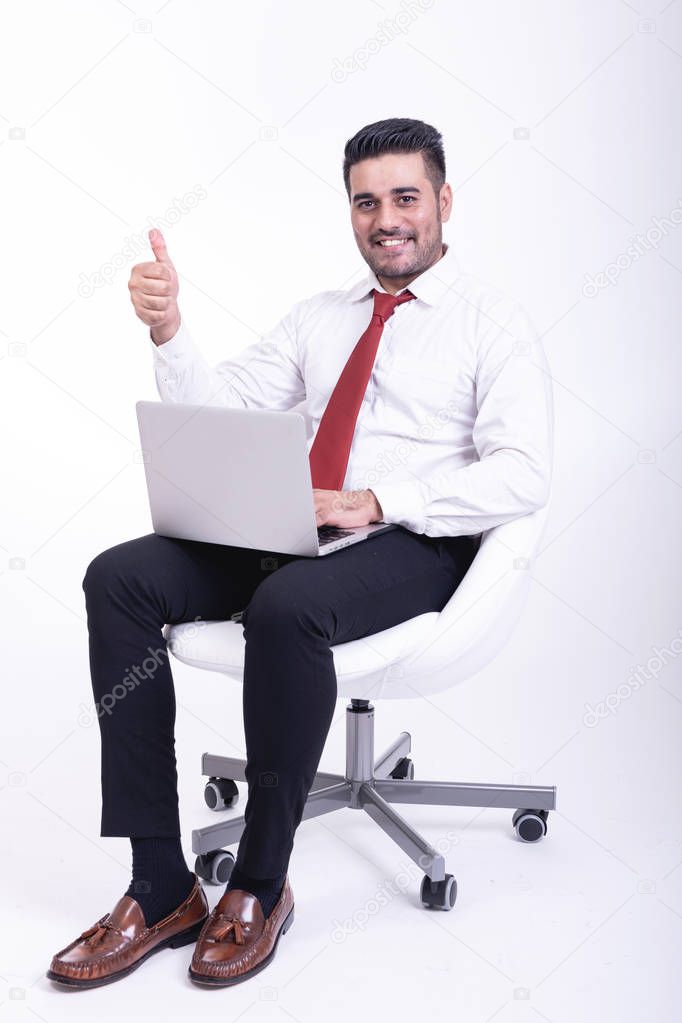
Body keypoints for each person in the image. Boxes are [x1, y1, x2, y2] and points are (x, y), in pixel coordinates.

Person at [47, 117, 553, 989]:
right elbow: (223, 409)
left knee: (288, 608)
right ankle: (160, 883)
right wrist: (171, 332)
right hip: (293, 527)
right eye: (366, 201)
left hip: (410, 542)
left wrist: (382, 499)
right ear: (350, 212)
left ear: (443, 202)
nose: (385, 219)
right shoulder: (320, 319)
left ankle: (260, 878)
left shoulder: (492, 326)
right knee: (118, 577)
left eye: (405, 197)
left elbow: (525, 471)